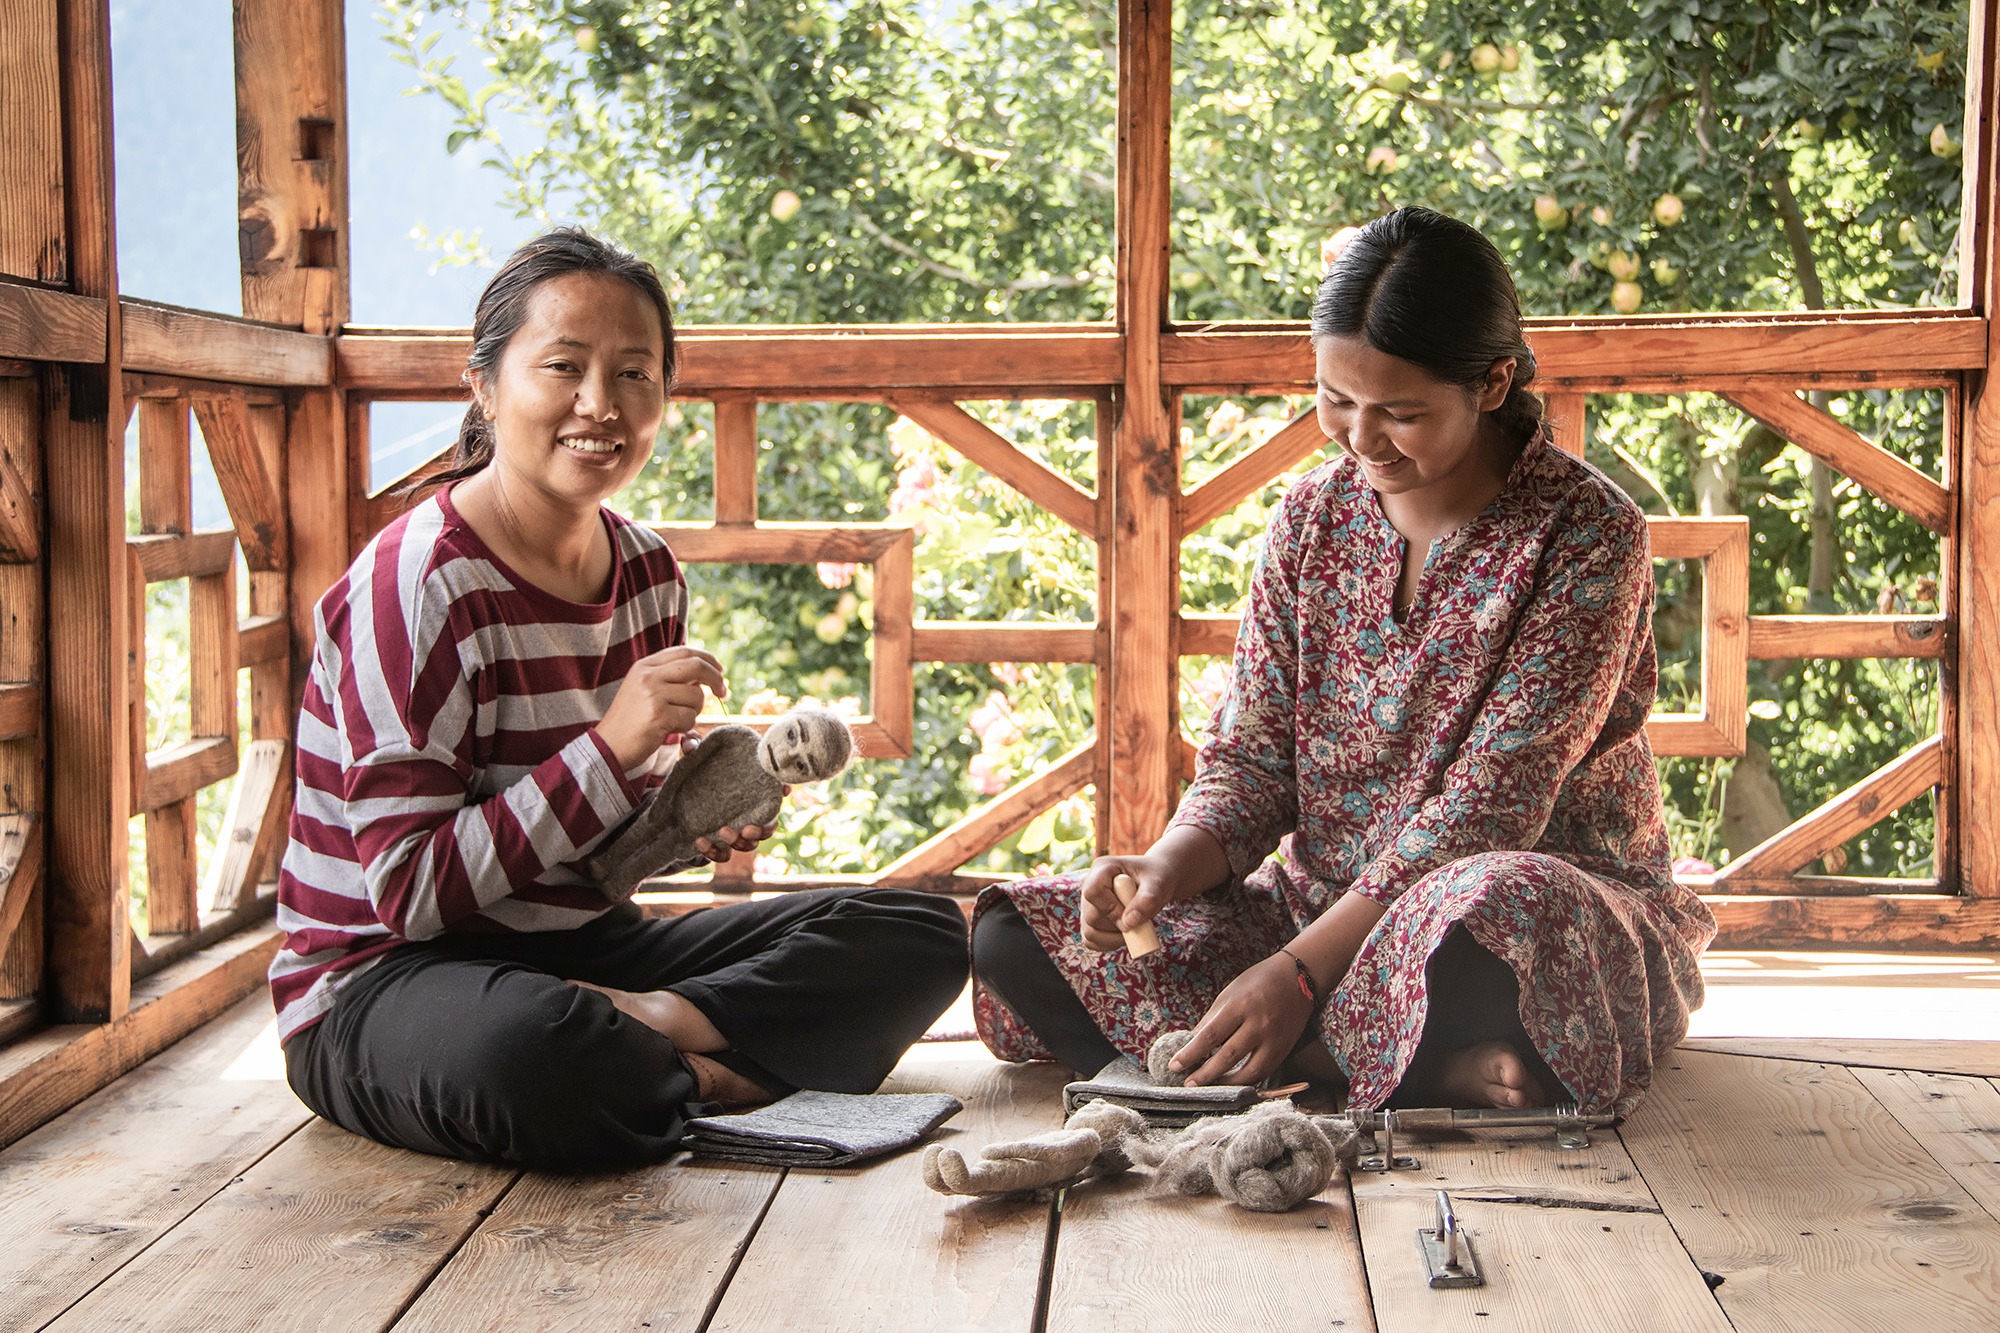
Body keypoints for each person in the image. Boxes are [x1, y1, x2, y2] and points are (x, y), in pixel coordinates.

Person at [972, 206, 1714, 1116]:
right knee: (1013, 934)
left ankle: (1293, 1048)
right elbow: (1250, 756)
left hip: (1495, 904)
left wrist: (1295, 976)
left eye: (1400, 412)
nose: (1361, 440)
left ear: (1492, 383)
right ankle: (1390, 1063)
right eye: (1336, 400)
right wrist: (1169, 865)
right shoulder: (1310, 518)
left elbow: (1491, 812)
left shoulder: (1589, 534)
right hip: (1313, 910)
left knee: (1495, 915)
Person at [270, 228, 968, 1170]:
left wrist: (685, 817)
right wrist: (607, 750)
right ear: (483, 384)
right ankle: (725, 1071)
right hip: (386, 983)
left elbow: (599, 868)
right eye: (562, 366)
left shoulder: (646, 570)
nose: (599, 405)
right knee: (534, 1051)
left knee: (921, 933)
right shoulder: (416, 585)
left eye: (634, 374)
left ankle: (664, 1043)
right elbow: (410, 895)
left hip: (590, 963)